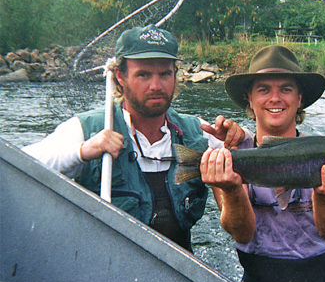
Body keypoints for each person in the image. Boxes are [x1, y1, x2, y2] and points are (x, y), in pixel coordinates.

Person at [22, 24, 247, 252]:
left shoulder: (198, 132)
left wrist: (241, 138)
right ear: (120, 76)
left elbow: (244, 231)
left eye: (165, 74)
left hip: (180, 276)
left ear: (175, 75)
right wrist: (82, 151)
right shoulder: (87, 129)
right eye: (143, 75)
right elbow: (21, 165)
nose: (156, 86)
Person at [200, 45, 325, 282]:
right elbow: (242, 234)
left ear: (299, 99)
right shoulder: (230, 156)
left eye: (286, 89)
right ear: (249, 99)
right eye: (264, 89)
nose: (275, 98)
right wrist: (230, 188)